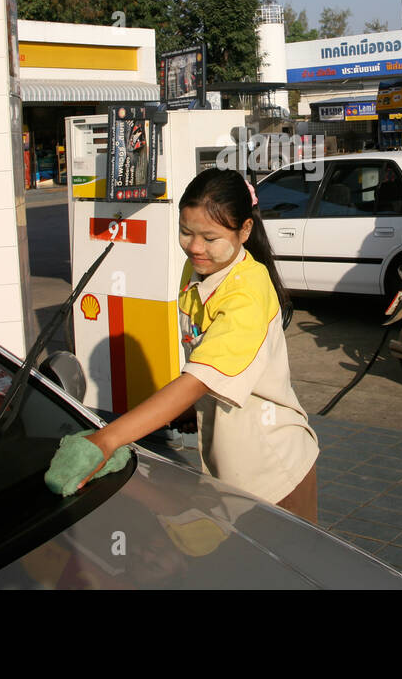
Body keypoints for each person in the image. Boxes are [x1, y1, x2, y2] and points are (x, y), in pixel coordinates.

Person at [76, 167, 320, 522]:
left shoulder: (247, 293)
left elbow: (198, 379)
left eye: (209, 237)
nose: (194, 247)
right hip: (229, 466)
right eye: (185, 232)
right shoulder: (199, 269)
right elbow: (200, 351)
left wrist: (107, 440)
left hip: (272, 472)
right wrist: (193, 407)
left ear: (245, 231)